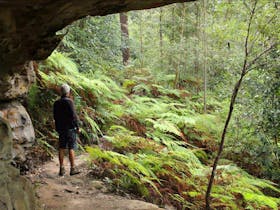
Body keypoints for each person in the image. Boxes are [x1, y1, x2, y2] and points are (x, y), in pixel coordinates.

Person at [53, 84, 80, 176]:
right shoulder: (69, 102)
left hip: (61, 129)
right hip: (70, 128)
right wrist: (77, 126)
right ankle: (72, 169)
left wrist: (57, 127)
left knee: (61, 147)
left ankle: (61, 169)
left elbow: (55, 117)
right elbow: (73, 116)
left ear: (61, 92)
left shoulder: (56, 103)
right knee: (71, 147)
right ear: (68, 92)